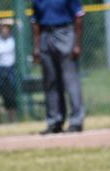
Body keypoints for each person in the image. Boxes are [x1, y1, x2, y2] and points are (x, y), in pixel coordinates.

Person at [32, 0, 86, 134]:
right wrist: (37, 47)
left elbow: (79, 16)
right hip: (45, 35)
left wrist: (77, 44)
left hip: (65, 32)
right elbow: (35, 22)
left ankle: (76, 121)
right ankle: (54, 121)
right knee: (50, 82)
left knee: (70, 80)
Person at [0, 18, 18, 124]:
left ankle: (13, 119)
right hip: (1, 69)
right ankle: (7, 119)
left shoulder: (14, 39)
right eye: (2, 28)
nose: (4, 30)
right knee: (5, 95)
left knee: (12, 94)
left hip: (11, 68)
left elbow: (21, 25)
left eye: (6, 28)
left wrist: (10, 21)